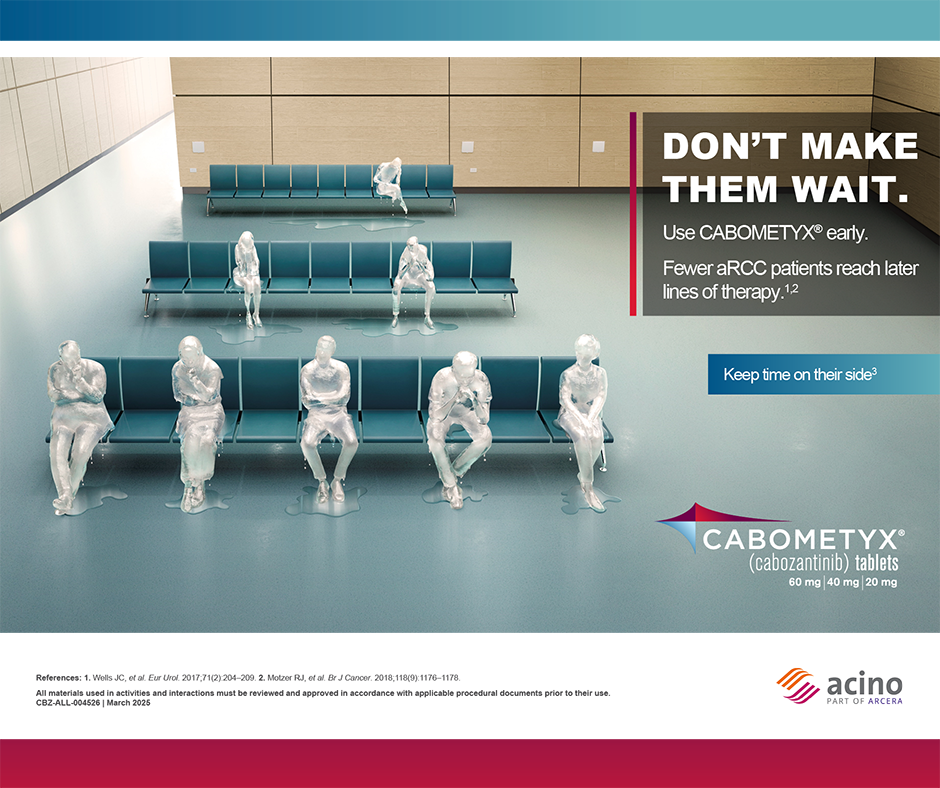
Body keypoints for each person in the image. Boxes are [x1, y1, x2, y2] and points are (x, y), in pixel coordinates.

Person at [47, 341, 114, 514]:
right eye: (68, 360)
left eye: (76, 358)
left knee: (80, 452)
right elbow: (54, 396)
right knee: (57, 451)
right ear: (61, 359)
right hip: (63, 417)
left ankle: (68, 495)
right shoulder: (54, 370)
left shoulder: (95, 368)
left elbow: (97, 397)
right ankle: (65, 495)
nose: (73, 364)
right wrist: (78, 395)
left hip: (92, 417)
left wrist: (81, 383)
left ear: (79, 354)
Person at [426, 351, 492, 509]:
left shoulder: (481, 380)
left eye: (469, 377)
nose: (465, 381)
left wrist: (475, 401)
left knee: (486, 438)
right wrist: (455, 398)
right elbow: (435, 415)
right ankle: (451, 486)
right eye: (461, 377)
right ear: (453, 369)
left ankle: (451, 474)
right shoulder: (442, 378)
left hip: (466, 413)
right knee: (435, 442)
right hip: (444, 414)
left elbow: (484, 419)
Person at [300, 336, 359, 504]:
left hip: (338, 414)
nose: (322, 351)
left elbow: (344, 398)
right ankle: (321, 481)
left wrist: (320, 398)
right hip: (316, 415)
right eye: (319, 347)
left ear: (332, 351)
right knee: (307, 443)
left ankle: (338, 479)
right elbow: (307, 400)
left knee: (352, 442)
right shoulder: (307, 370)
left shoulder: (342, 368)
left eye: (326, 349)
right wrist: (331, 398)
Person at [172, 336, 225, 513]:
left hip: (211, 411)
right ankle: (188, 484)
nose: (187, 362)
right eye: (184, 358)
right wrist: (192, 399)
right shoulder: (178, 368)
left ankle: (200, 483)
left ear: (199, 353)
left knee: (207, 440)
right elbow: (178, 395)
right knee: (191, 441)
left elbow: (210, 396)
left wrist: (196, 382)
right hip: (190, 412)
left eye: (191, 358)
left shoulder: (212, 368)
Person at [557, 334, 608, 512]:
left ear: (594, 354)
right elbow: (565, 400)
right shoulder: (568, 374)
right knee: (581, 436)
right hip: (569, 414)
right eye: (580, 351)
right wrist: (581, 420)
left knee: (596, 436)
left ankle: (583, 473)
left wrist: (591, 418)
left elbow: (601, 397)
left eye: (586, 352)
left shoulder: (600, 373)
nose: (581, 355)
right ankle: (588, 487)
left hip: (590, 413)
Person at [392, 236, 436, 329]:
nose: (409, 247)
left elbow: (429, 272)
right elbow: (400, 273)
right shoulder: (405, 253)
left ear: (416, 244)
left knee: (431, 287)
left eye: (411, 245)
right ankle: (395, 315)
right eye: (408, 245)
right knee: (396, 286)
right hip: (407, 275)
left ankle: (427, 316)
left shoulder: (422, 252)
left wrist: (422, 266)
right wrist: (409, 265)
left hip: (419, 276)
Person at [234, 230, 263, 329]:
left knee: (257, 286)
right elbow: (240, 267)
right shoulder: (237, 249)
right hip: (241, 274)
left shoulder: (252, 248)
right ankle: (248, 314)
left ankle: (256, 313)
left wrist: (255, 267)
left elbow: (256, 260)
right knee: (248, 286)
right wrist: (242, 266)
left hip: (252, 272)